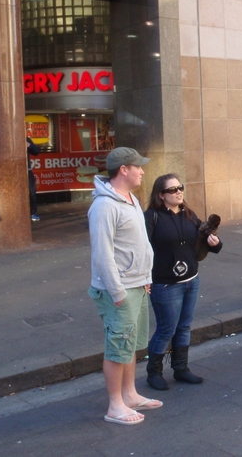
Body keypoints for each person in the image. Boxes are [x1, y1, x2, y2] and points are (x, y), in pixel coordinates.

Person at [88, 147, 162, 425]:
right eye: (138, 167)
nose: (142, 171)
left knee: (130, 345)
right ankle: (115, 405)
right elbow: (103, 254)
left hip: (138, 284)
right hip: (118, 289)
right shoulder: (104, 206)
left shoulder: (129, 198)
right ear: (123, 170)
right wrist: (117, 292)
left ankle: (129, 395)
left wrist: (145, 278)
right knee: (118, 347)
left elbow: (137, 244)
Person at [143, 174, 222, 391]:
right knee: (166, 328)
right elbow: (141, 249)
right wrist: (143, 277)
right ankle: (154, 372)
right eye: (172, 189)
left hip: (191, 281)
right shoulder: (151, 217)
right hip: (165, 284)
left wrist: (214, 243)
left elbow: (202, 239)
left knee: (184, 327)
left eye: (180, 187)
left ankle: (181, 368)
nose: (179, 192)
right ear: (161, 195)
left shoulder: (188, 214)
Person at [27, 136, 40, 221]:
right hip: (12, 172)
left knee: (32, 192)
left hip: (27, 170)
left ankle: (33, 213)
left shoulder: (26, 139)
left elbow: (36, 152)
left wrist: (29, 145)